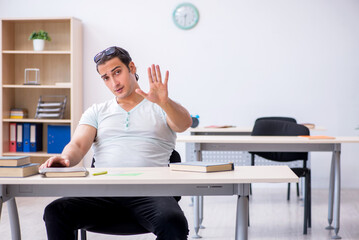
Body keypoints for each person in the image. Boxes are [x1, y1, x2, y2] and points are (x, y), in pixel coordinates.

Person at [40, 46, 192, 240]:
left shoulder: (160, 106)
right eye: (106, 77)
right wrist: (65, 157)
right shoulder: (97, 111)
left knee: (173, 221)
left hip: (151, 192)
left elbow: (183, 123)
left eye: (117, 72)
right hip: (104, 193)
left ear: (132, 67)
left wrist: (164, 102)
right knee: (56, 212)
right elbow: (77, 145)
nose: (114, 82)